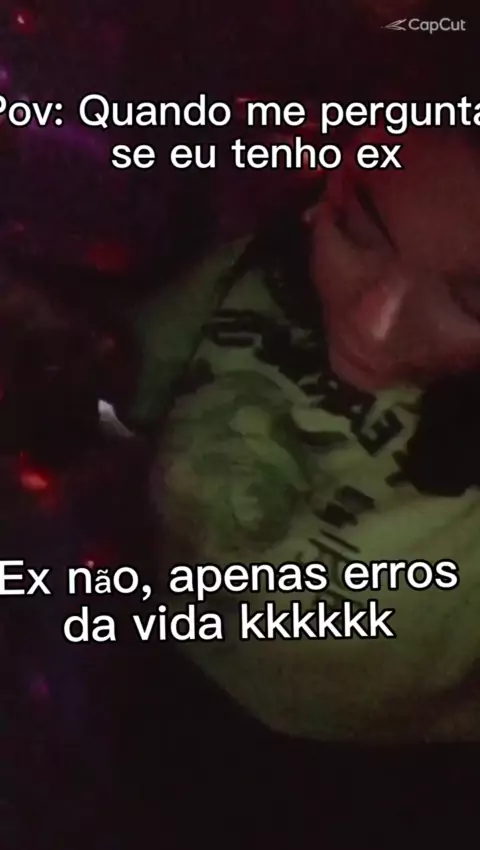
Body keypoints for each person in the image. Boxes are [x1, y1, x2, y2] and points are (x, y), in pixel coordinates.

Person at [128, 124, 480, 742]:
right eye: (359, 232)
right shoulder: (254, 269)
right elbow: (113, 403)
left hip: (353, 774)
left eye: (472, 302)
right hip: (142, 653)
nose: (375, 324)